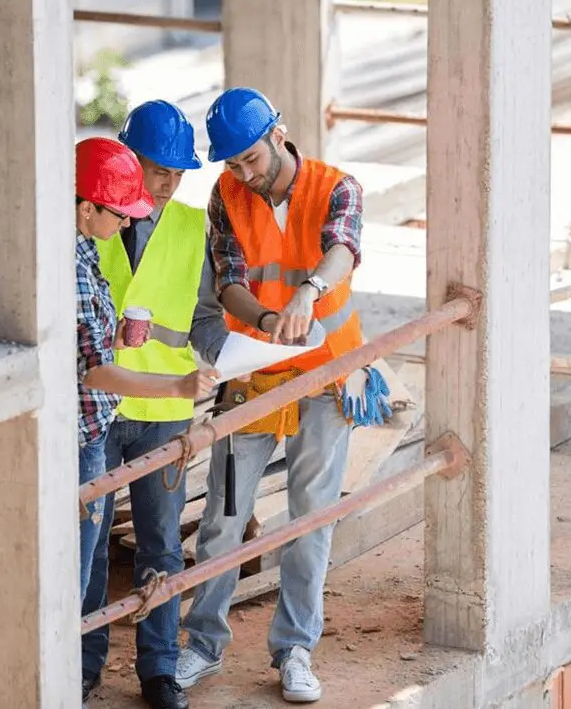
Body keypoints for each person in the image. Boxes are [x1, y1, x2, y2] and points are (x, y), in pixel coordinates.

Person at [175, 87, 387, 704]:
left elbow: (344, 248)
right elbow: (230, 280)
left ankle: (295, 649)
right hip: (253, 381)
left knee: (309, 519)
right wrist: (267, 327)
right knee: (224, 518)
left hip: (327, 378)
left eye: (252, 159)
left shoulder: (336, 186)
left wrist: (307, 293)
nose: (245, 173)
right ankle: (202, 646)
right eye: (233, 164)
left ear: (280, 134)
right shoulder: (227, 196)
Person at [80, 104, 228, 709]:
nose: (168, 183)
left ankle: (158, 670)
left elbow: (206, 313)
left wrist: (215, 361)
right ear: (128, 156)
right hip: (101, 405)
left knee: (162, 543)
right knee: (86, 546)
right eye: (158, 169)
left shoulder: (193, 226)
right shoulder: (95, 219)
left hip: (164, 407)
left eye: (178, 173)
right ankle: (83, 665)